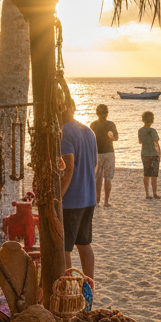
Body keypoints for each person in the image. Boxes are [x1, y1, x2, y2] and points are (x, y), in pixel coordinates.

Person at [60, 99, 98, 279]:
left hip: (71, 200)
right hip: (89, 197)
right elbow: (94, 164)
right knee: (84, 244)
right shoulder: (88, 131)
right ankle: (88, 289)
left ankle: (67, 290)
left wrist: (58, 197)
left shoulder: (65, 131)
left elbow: (68, 168)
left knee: (64, 248)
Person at [89, 104, 118, 207]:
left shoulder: (93, 125)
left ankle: (97, 202)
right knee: (108, 178)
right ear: (107, 113)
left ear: (97, 113)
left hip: (97, 153)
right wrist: (112, 138)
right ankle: (106, 202)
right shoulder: (111, 124)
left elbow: (90, 141)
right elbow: (116, 138)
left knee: (98, 179)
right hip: (109, 152)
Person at [138, 110, 161, 198]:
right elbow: (156, 142)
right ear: (152, 120)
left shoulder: (140, 131)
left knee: (146, 174)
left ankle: (147, 194)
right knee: (154, 175)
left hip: (144, 154)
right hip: (153, 154)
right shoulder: (153, 131)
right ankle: (155, 193)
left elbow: (140, 142)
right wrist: (159, 154)